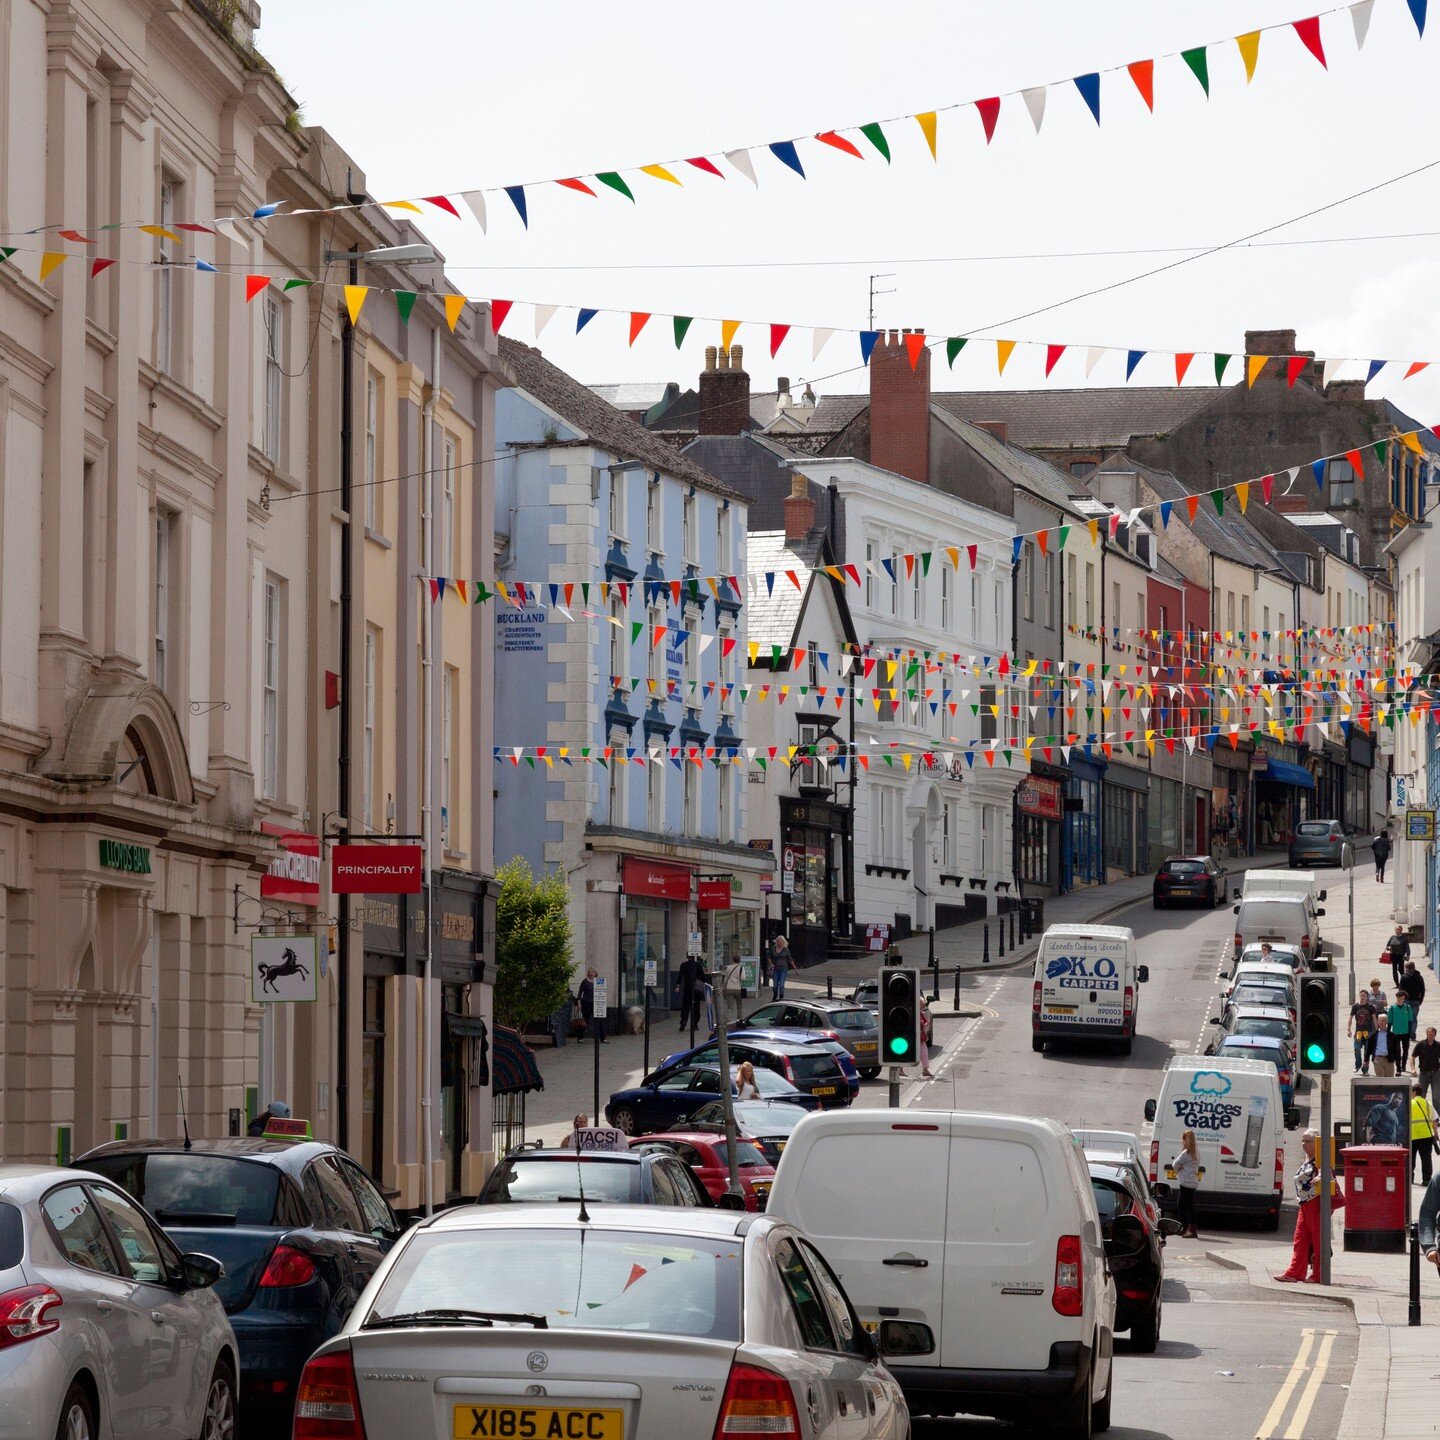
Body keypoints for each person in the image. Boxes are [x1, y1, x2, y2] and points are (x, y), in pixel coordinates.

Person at [1275, 1130, 1344, 1283]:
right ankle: (1294, 1273)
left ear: (1317, 1143)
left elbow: (1328, 1172)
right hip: (1305, 1203)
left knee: (1318, 1239)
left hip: (1316, 1203)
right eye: (1302, 1141)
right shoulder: (1308, 1158)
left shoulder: (1321, 1158)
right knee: (1300, 1239)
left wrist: (1320, 1177)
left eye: (1308, 1141)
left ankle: (1319, 1274)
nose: (1304, 1144)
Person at [1171, 1129, 1202, 1239]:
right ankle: (1185, 1228)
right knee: (1183, 1205)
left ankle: (1190, 1229)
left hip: (1185, 1182)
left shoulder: (1186, 1153)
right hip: (1192, 1182)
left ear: (1185, 1140)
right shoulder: (1196, 1153)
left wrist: (1179, 1167)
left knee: (1186, 1206)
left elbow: (1174, 1165)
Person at [1412, 1082, 1440, 1186]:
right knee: (1426, 1159)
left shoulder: (1410, 1103)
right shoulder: (1428, 1104)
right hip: (1426, 1136)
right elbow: (1434, 1121)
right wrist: (1436, 1135)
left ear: (1414, 1092)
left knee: (1411, 1158)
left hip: (1412, 1136)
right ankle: (1427, 1180)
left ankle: (1410, 1178)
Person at [675, 955, 705, 1035]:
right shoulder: (698, 965)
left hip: (687, 988)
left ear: (687, 956)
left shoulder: (683, 965)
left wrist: (678, 985)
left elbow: (680, 976)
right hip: (696, 989)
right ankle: (694, 1024)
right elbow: (702, 976)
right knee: (696, 1007)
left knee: (685, 1006)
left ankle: (684, 1020)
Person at [1413, 1026, 1440, 1111]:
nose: (1430, 1036)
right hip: (1423, 1074)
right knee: (1421, 1096)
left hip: (1435, 1074)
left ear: (1435, 1035)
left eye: (1432, 1034)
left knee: (1436, 1097)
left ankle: (1437, 1118)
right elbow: (1413, 1056)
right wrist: (1413, 1069)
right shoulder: (1421, 1044)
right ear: (1426, 1034)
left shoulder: (1438, 1045)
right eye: (1428, 1034)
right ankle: (1422, 1113)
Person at [1349, 991, 1376, 1074]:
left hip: (1369, 1032)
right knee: (1357, 1048)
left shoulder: (1371, 1007)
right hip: (1359, 1032)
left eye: (1364, 996)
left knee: (1367, 1051)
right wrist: (1348, 1029)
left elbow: (1374, 1019)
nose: (1362, 997)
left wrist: (1377, 1030)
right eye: (1361, 995)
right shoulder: (1355, 1006)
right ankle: (1357, 1065)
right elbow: (1350, 1018)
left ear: (1367, 997)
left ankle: (1365, 1069)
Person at [577, 967, 605, 1043]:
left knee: (600, 1020)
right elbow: (580, 992)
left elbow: (602, 992)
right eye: (590, 972)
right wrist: (579, 1003)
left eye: (593, 972)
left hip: (596, 1003)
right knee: (585, 1020)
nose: (591, 973)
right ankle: (580, 1037)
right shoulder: (585, 981)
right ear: (588, 973)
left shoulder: (598, 981)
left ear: (595, 973)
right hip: (586, 1003)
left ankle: (603, 1038)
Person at [1391, 993, 1417, 1072]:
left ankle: (1403, 1065)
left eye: (1402, 998)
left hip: (1405, 1033)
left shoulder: (1407, 1008)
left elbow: (1410, 1021)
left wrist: (1410, 1032)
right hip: (1396, 1032)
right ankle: (1398, 1067)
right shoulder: (1392, 1008)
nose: (1400, 1000)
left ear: (1404, 998)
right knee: (1397, 1051)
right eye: (1398, 998)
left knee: (1405, 1050)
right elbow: (1389, 1021)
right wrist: (1389, 1033)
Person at [1372, 1012, 1397, 1077]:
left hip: (1389, 1059)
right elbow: (1368, 1047)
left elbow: (1397, 1049)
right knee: (1381, 1080)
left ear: (1386, 1022)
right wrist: (1366, 1060)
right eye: (1380, 1020)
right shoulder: (1374, 1035)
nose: (1381, 1022)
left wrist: (1397, 1061)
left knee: (1389, 1080)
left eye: (1383, 1021)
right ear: (1377, 1022)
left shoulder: (1392, 1035)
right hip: (1378, 1059)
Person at [1388, 925, 1411, 990]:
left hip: (1401, 956)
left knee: (1401, 970)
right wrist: (1389, 948)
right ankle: (1397, 984)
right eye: (1396, 929)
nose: (1397, 931)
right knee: (1394, 970)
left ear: (1401, 930)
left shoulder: (1404, 938)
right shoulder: (1392, 937)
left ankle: (1404, 982)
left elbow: (1407, 947)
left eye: (1398, 929)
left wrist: (1408, 954)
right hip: (1393, 956)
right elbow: (1388, 945)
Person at [770, 933, 792, 1000]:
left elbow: (790, 959)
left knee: (782, 985)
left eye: (780, 941)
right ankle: (775, 995)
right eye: (778, 941)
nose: (779, 943)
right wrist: (771, 964)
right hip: (776, 969)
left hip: (783, 969)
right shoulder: (773, 949)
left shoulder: (786, 949)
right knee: (775, 985)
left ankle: (781, 997)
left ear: (783, 942)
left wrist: (795, 968)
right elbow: (769, 957)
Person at [918, 999, 934, 1079]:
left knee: (924, 1051)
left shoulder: (920, 1013)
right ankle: (900, 1068)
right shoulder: (913, 1012)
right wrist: (923, 1024)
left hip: (920, 1037)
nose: (923, 1007)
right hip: (914, 1037)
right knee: (905, 1052)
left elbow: (925, 1022)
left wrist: (926, 1023)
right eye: (922, 1005)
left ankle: (925, 1069)